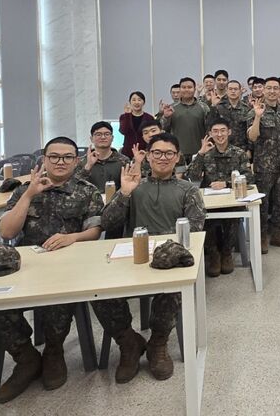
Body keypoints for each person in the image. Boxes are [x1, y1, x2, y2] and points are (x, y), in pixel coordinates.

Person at [0, 137, 103, 403]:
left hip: (68, 264)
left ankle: (53, 351)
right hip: (27, 265)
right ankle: (25, 357)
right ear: (44, 160)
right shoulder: (24, 190)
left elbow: (95, 230)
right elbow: (7, 232)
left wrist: (73, 237)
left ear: (76, 161)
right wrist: (29, 195)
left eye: (67, 157)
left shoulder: (87, 191)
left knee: (57, 298)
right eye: (54, 157)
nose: (60, 162)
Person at [95, 133, 205, 384]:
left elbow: (195, 230)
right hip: (134, 255)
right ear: (148, 156)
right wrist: (124, 193)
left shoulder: (188, 190)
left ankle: (158, 342)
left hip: (171, 257)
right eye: (157, 152)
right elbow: (108, 223)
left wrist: (168, 251)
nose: (162, 158)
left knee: (173, 288)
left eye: (169, 153)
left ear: (177, 157)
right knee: (98, 291)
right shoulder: (135, 186)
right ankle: (128, 342)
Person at [186, 118, 253, 276]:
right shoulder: (206, 154)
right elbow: (192, 175)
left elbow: (249, 177)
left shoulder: (239, 153)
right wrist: (200, 153)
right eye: (215, 131)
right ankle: (213, 254)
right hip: (210, 200)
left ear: (229, 132)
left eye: (223, 131)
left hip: (231, 199)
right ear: (210, 133)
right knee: (203, 216)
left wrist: (227, 183)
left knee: (234, 215)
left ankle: (226, 252)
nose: (219, 134)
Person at [247, 77, 280, 251]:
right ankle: (261, 237)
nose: (273, 91)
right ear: (263, 90)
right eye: (269, 88)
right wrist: (258, 117)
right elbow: (252, 137)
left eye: (276, 88)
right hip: (264, 166)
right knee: (263, 203)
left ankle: (278, 235)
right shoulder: (255, 111)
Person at [160, 77, 209, 161]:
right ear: (180, 89)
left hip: (199, 152)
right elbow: (163, 129)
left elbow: (209, 129)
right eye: (183, 87)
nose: (186, 90)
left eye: (189, 87)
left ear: (194, 89)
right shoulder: (171, 108)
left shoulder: (203, 107)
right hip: (177, 153)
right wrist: (166, 117)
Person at [76, 121, 129, 189]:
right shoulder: (82, 162)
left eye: (107, 134)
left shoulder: (123, 161)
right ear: (91, 139)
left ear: (112, 138)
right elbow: (74, 185)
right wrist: (88, 167)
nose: (103, 137)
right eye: (98, 134)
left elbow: (128, 186)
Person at [208, 78, 251, 154]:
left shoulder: (246, 108)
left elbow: (249, 130)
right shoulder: (219, 107)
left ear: (240, 91)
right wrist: (213, 106)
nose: (233, 91)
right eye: (230, 89)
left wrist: (249, 149)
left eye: (235, 89)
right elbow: (210, 125)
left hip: (242, 149)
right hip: (222, 148)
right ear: (226, 91)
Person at [119, 91, 153, 159]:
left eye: (139, 100)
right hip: (128, 151)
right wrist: (127, 115)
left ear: (143, 102)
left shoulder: (149, 118)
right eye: (134, 100)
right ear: (130, 102)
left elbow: (151, 135)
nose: (136, 102)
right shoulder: (124, 116)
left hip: (144, 151)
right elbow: (123, 131)